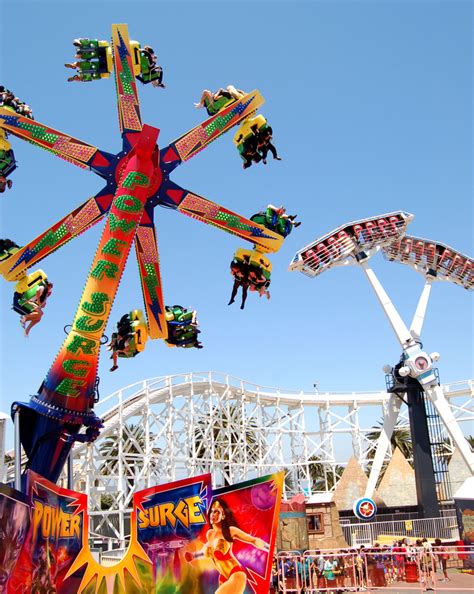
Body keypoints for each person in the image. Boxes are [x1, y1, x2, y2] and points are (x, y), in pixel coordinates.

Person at [186, 498, 269, 593]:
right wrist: (194, 556)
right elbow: (208, 551)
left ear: (223, 516)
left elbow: (253, 540)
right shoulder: (209, 534)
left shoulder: (230, 531)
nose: (213, 514)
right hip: (223, 577)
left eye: (217, 511)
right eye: (212, 511)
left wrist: (270, 549)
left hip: (236, 574)